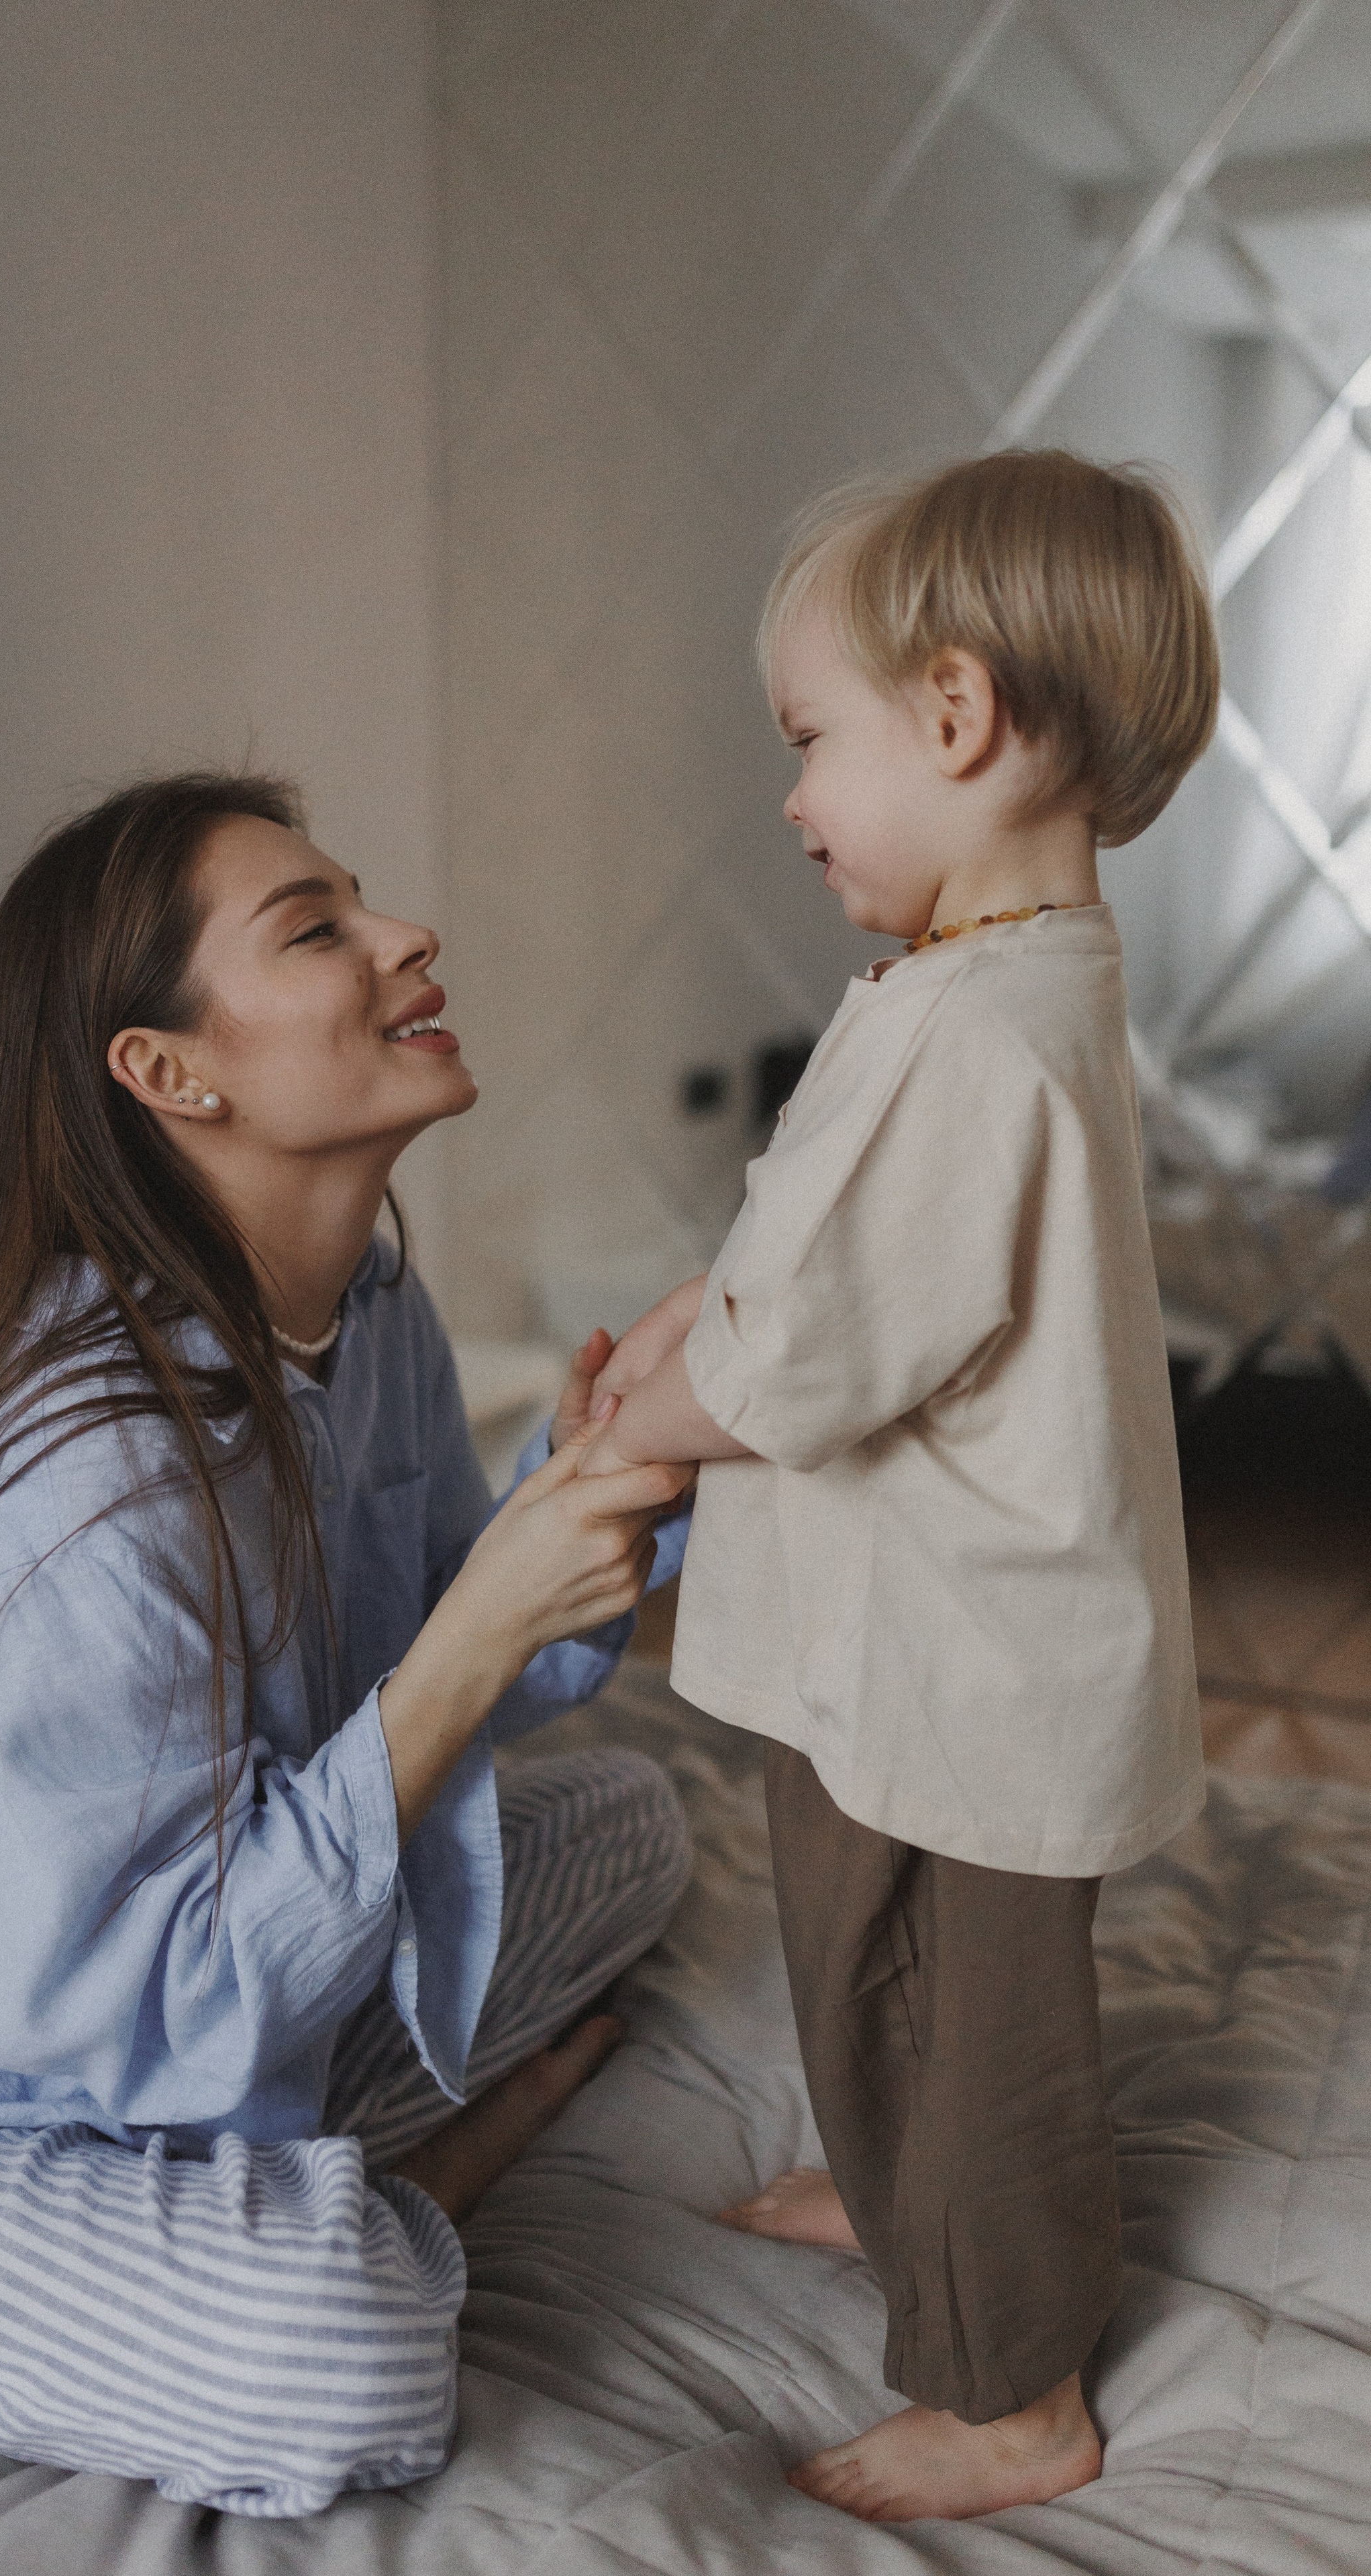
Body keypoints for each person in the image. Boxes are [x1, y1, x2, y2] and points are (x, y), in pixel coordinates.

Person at [0, 772, 693, 2518]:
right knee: (346, 2351)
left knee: (633, 1827)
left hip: (215, 2020)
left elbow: (445, 1676)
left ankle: (269, 2190)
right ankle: (397, 2196)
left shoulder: (368, 1307)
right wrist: (483, 1625)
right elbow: (183, 1979)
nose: (407, 936)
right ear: (169, 1070)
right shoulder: (85, 1477)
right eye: (318, 928)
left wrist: (599, 1477)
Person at [578, 450, 1218, 2522]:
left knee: (966, 2022)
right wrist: (699, 1317)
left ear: (955, 717)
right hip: (905, 1650)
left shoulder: (983, 1033)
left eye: (807, 741)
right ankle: (903, 2204)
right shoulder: (983, 979)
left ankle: (1014, 2386)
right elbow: (834, 1256)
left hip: (971, 1666)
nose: (792, 799)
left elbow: (823, 1353)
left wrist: (659, 1410)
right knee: (871, 1966)